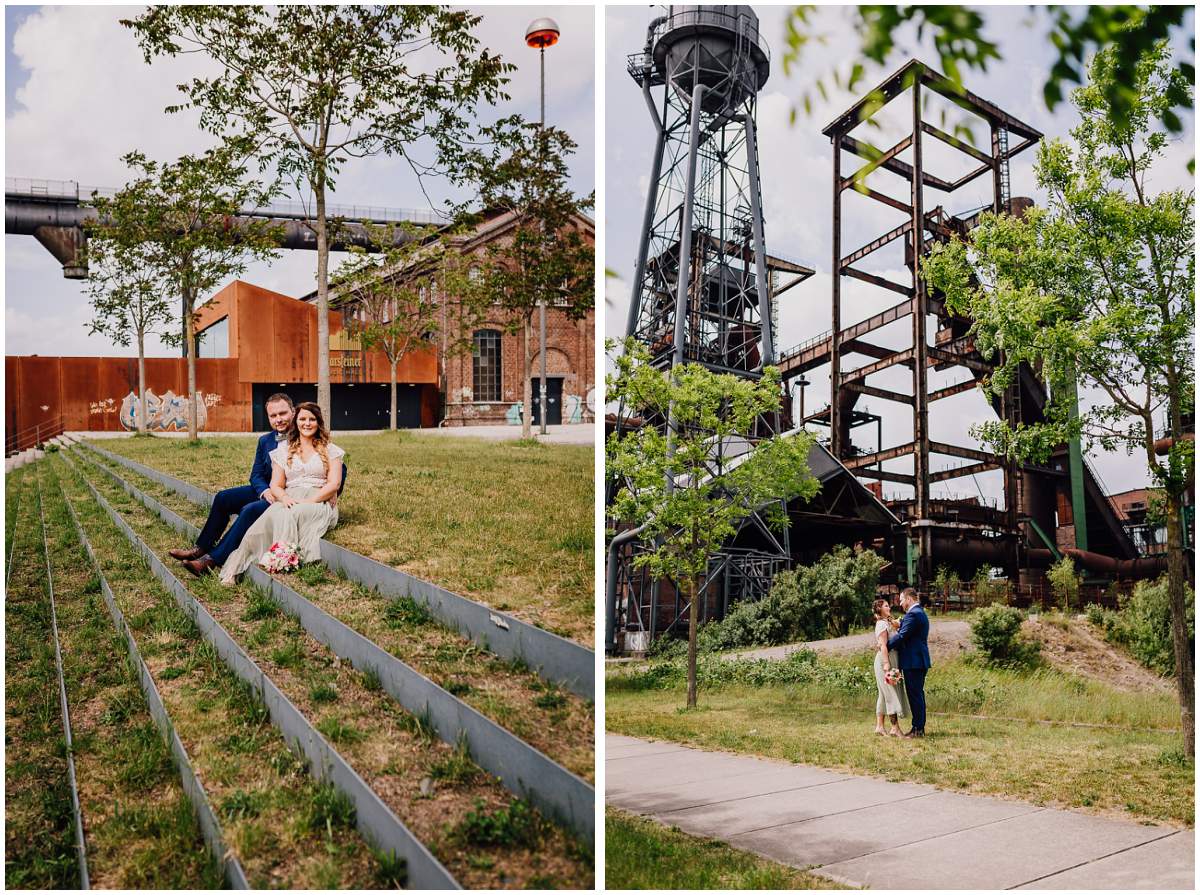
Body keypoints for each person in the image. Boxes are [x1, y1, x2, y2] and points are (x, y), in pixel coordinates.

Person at [218, 402, 344, 585]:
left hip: (318, 500)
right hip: (290, 496)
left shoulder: (331, 449)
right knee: (263, 522)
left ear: (319, 422)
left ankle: (280, 559)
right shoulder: (283, 450)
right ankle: (235, 569)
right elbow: (275, 485)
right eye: (302, 419)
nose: (307, 423)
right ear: (296, 421)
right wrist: (284, 498)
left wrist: (310, 501)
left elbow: (334, 484)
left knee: (292, 514)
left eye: (312, 419)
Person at [172, 392, 296, 576]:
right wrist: (264, 491)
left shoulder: (306, 435)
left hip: (288, 496)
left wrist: (333, 491)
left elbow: (335, 464)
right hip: (268, 492)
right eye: (273, 415)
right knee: (223, 498)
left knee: (250, 510)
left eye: (282, 413)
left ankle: (210, 561)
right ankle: (200, 548)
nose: (278, 419)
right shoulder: (265, 440)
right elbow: (256, 475)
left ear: (293, 412)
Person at [887, 587, 932, 737]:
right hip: (916, 660)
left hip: (914, 661)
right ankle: (917, 728)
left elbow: (902, 637)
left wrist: (884, 646)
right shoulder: (918, 613)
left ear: (909, 599)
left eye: (901, 600)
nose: (900, 604)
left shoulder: (913, 614)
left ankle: (918, 729)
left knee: (915, 695)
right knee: (916, 694)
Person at [872, 598, 909, 736]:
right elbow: (882, 645)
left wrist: (895, 622)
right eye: (886, 606)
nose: (889, 607)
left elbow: (897, 628)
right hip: (885, 660)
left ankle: (880, 727)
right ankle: (895, 728)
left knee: (883, 694)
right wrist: (887, 664)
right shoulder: (881, 624)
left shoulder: (887, 622)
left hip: (892, 658)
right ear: (880, 609)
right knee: (890, 693)